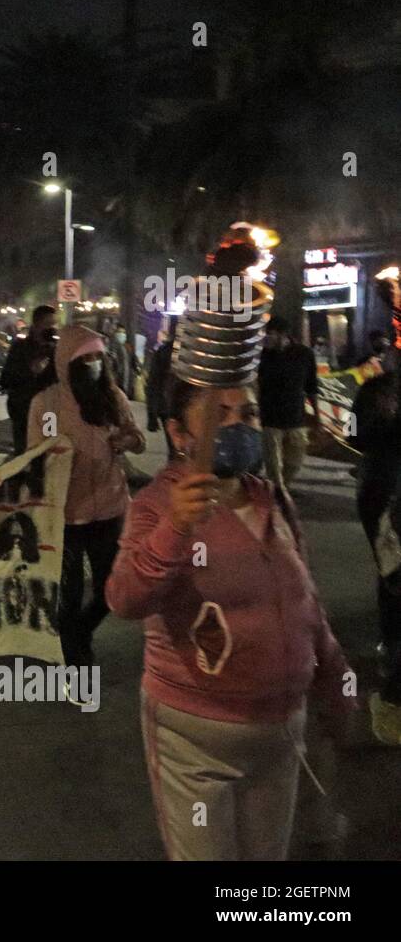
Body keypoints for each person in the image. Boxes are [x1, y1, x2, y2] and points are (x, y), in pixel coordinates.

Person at [106, 376, 356, 859]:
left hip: (280, 734)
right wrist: (177, 527)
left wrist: (336, 679)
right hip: (195, 742)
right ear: (180, 435)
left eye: (248, 415)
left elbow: (306, 601)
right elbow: (125, 598)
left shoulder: (270, 498)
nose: (239, 427)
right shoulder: (158, 504)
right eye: (220, 416)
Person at [28, 325, 145, 670]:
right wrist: (54, 455)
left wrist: (128, 441)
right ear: (66, 361)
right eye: (85, 358)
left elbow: (136, 437)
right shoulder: (46, 404)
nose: (93, 363)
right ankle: (74, 653)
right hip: (65, 512)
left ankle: (78, 632)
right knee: (70, 591)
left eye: (98, 357)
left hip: (110, 507)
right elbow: (35, 455)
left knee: (111, 586)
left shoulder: (113, 398)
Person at [350, 313, 401, 744]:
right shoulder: (374, 393)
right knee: (394, 579)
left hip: (383, 494)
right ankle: (392, 697)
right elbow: (360, 436)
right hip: (385, 499)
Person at [256, 316, 319, 493]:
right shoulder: (261, 356)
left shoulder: (304, 354)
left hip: (296, 417)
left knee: (295, 460)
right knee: (273, 464)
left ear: (283, 334)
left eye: (271, 334)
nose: (267, 337)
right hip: (269, 418)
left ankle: (282, 487)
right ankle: (278, 493)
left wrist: (316, 415)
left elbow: (311, 386)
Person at [1, 305, 59, 455]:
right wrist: (29, 372)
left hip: (49, 412)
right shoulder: (20, 348)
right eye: (48, 324)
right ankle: (24, 476)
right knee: (24, 453)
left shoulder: (57, 351)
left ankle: (42, 477)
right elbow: (6, 379)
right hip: (24, 410)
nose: (52, 328)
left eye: (54, 324)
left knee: (48, 450)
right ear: (37, 324)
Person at [145, 330, 175, 453]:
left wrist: (152, 414)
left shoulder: (163, 351)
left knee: (174, 447)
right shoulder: (193, 352)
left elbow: (153, 383)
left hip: (166, 407)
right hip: (181, 406)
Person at [105, 324, 138, 396]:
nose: (122, 334)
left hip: (125, 381)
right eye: (119, 332)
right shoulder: (110, 346)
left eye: (123, 332)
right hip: (116, 381)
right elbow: (110, 363)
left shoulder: (127, 347)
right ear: (115, 333)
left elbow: (133, 360)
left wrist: (136, 368)